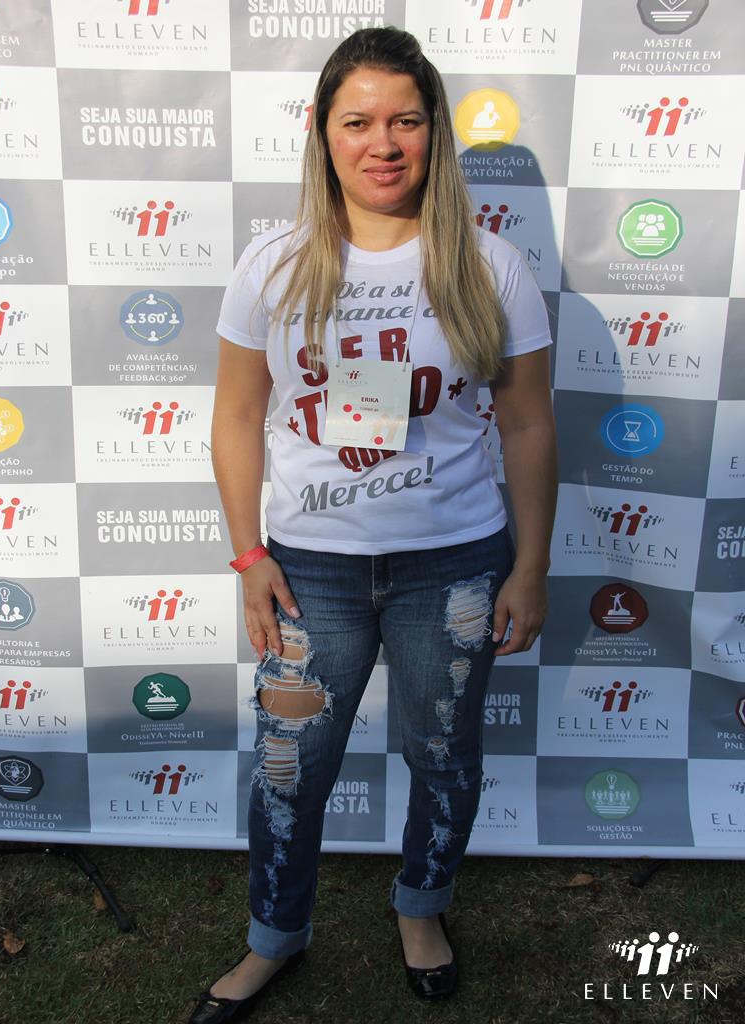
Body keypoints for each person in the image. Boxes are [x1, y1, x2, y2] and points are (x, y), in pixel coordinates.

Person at [188, 25, 557, 1024]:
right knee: (290, 768)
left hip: (456, 566)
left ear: (434, 131)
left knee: (444, 757)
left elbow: (527, 423)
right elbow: (235, 416)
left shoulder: (490, 267)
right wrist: (249, 554)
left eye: (405, 121)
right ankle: (274, 936)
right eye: (358, 122)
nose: (383, 144)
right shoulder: (273, 265)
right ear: (322, 130)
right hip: (311, 571)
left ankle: (421, 908)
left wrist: (530, 567)